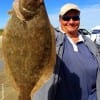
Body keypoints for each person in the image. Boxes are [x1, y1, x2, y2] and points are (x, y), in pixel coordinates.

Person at [33, 3, 100, 100]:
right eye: (66, 18)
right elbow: (37, 28)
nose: (71, 22)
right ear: (60, 20)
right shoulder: (52, 37)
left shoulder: (88, 42)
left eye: (75, 18)